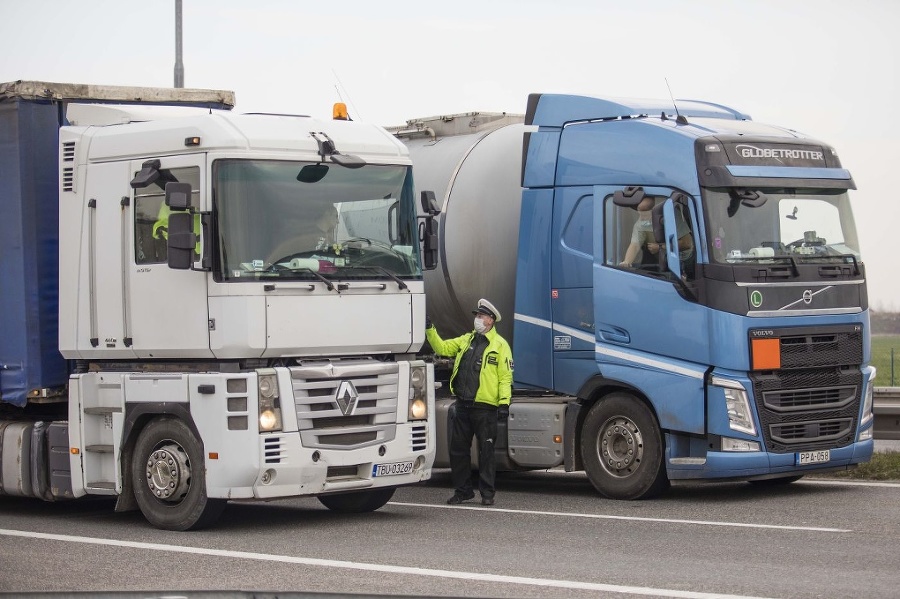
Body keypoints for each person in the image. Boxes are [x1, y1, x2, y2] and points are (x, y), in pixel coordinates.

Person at [425, 299, 513, 506]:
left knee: (487, 452)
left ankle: (487, 493)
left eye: (481, 316)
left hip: (486, 408)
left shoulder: (500, 346)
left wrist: (504, 404)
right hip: (463, 405)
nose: (477, 319)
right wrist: (430, 328)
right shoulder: (467, 340)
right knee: (458, 451)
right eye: (477, 316)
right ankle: (463, 491)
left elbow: (505, 377)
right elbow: (442, 347)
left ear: (490, 320)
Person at [618, 196, 693, 268]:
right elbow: (635, 245)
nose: (642, 219)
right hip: (665, 261)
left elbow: (687, 243)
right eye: (640, 215)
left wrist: (660, 247)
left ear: (654, 212)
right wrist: (626, 262)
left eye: (645, 216)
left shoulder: (672, 215)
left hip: (686, 259)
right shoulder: (641, 223)